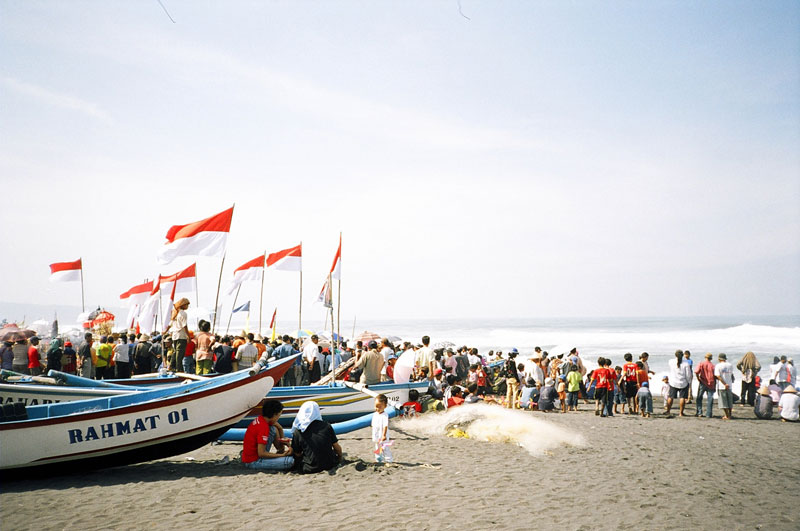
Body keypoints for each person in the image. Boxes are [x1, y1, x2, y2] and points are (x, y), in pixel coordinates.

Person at [241, 399, 294, 471]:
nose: (279, 418)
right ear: (274, 415)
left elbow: (280, 448)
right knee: (290, 461)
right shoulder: (263, 427)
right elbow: (261, 453)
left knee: (273, 428)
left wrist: (280, 429)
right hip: (254, 461)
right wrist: (282, 455)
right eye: (279, 415)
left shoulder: (261, 420)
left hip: (250, 458)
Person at [290, 401, 342, 473]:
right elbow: (337, 448)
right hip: (330, 464)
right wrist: (339, 457)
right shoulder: (326, 426)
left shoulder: (299, 430)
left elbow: (297, 453)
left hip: (310, 468)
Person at [666, 350, 692, 417]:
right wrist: (689, 381)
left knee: (670, 397)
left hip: (673, 382)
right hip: (683, 382)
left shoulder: (671, 361)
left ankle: (668, 411)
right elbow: (688, 375)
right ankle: (681, 413)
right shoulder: (686, 363)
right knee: (682, 398)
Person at [168, 298, 190, 372]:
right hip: (181, 335)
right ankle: (179, 369)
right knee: (180, 353)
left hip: (175, 335)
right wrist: (188, 336)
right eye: (187, 304)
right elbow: (184, 326)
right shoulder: (183, 313)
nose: (188, 306)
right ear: (183, 305)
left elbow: (169, 325)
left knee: (176, 351)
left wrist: (165, 331)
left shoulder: (175, 313)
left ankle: (171, 366)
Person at [694, 352, 716, 418]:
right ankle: (708, 414)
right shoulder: (713, 366)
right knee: (710, 399)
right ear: (711, 358)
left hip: (703, 382)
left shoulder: (701, 363)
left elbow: (696, 371)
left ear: (705, 357)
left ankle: (699, 412)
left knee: (699, 398)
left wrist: (698, 378)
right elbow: (716, 375)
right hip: (711, 383)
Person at [372, 394, 392, 463]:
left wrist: (384, 435)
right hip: (376, 435)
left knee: (385, 448)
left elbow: (385, 426)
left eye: (380, 407)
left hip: (383, 435)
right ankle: (378, 460)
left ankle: (388, 460)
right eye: (376, 406)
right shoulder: (375, 414)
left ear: (385, 406)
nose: (377, 408)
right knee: (377, 447)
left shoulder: (385, 415)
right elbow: (374, 424)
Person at [714, 353, 734, 420]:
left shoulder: (718, 366)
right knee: (729, 401)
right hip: (730, 385)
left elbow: (718, 376)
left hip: (722, 386)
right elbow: (731, 374)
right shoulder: (730, 365)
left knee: (724, 402)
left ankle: (727, 415)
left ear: (719, 359)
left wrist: (724, 384)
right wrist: (728, 383)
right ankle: (730, 415)